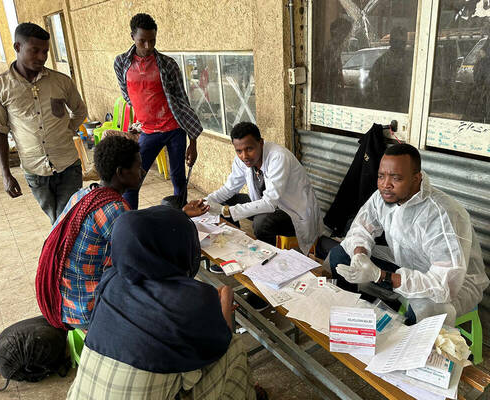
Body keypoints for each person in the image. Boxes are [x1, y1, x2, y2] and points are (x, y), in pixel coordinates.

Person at [66, 206, 263, 400]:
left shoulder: (111, 281)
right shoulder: (191, 300)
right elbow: (217, 345)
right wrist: (224, 303)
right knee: (232, 349)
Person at [35, 136, 209, 330]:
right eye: (138, 167)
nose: (142, 172)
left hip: (63, 298)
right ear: (121, 172)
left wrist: (180, 213)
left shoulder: (84, 194)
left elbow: (138, 224)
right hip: (84, 309)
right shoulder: (115, 210)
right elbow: (144, 258)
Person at [329, 144, 489, 326]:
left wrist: (380, 275)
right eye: (381, 176)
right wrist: (360, 255)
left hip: (453, 284)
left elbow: (445, 284)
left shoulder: (442, 214)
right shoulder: (384, 196)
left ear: (416, 178)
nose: (385, 184)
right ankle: (359, 319)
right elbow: (361, 228)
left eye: (395, 178)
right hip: (406, 262)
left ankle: (404, 343)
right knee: (341, 256)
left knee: (426, 308)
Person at [0, 22, 88, 224]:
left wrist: (66, 130)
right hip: (35, 170)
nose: (42, 57)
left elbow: (80, 110)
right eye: (35, 51)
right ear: (17, 47)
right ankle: (63, 253)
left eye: (45, 52)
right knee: (57, 220)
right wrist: (6, 174)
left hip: (68, 164)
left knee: (66, 220)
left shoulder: (61, 81)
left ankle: (61, 254)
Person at [114, 13, 203, 210]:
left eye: (152, 40)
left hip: (174, 129)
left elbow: (182, 101)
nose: (148, 46)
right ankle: (131, 221)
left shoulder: (168, 64)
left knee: (178, 178)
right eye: (142, 41)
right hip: (148, 132)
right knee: (133, 180)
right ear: (132, 37)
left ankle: (180, 217)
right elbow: (127, 93)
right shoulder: (121, 63)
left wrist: (193, 142)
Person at [203, 122, 322, 256]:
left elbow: (270, 203)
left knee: (261, 223)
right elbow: (228, 189)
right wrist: (205, 201)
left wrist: (225, 211)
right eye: (239, 151)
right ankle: (234, 249)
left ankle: (270, 258)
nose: (244, 156)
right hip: (266, 206)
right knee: (228, 199)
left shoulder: (278, 157)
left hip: (291, 212)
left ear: (261, 143)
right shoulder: (241, 160)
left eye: (249, 149)